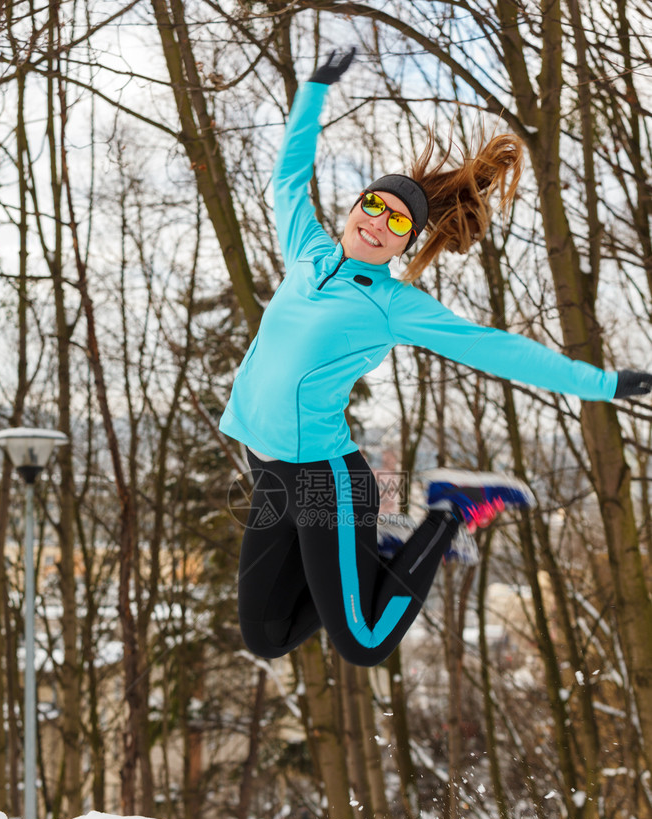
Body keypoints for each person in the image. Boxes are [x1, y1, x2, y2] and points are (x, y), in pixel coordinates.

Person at [219, 50, 652, 669]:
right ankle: (388, 545)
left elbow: (495, 348)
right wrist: (314, 89)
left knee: (365, 642)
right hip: (271, 473)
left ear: (406, 243)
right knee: (267, 635)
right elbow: (287, 177)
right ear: (354, 208)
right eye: (374, 206)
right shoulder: (306, 249)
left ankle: (450, 513)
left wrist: (602, 383)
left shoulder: (392, 304)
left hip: (325, 479)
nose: (380, 223)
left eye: (398, 222)